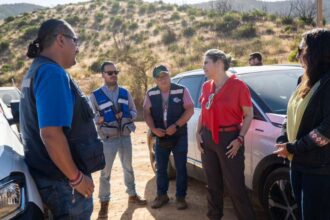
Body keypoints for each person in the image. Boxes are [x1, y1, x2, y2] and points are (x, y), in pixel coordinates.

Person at [20, 19, 105, 219]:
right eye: (75, 41)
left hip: (51, 179)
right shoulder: (52, 73)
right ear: (60, 40)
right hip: (64, 185)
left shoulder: (35, 70)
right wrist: (76, 178)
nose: (77, 48)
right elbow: (50, 134)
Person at [275, 28, 330, 219]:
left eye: (302, 49)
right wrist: (283, 139)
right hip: (297, 164)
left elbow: (326, 130)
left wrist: (294, 147)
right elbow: (289, 114)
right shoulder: (303, 80)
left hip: (320, 170)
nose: (298, 54)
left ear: (315, 52)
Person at [196, 49, 256, 220]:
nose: (203, 66)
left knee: (235, 186)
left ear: (219, 63)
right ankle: (214, 216)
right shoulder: (206, 86)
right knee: (213, 185)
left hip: (229, 141)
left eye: (206, 62)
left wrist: (240, 138)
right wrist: (197, 133)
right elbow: (203, 112)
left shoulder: (238, 86)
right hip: (207, 138)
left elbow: (249, 114)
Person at [89, 61, 147, 219]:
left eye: (115, 72)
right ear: (103, 75)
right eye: (110, 73)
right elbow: (90, 116)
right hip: (107, 139)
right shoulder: (95, 95)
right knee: (105, 173)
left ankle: (132, 195)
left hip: (125, 137)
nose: (113, 75)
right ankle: (104, 203)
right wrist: (99, 119)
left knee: (128, 167)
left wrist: (126, 115)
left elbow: (135, 112)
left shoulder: (124, 92)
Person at [143, 65, 194, 210]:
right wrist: (153, 129)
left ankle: (180, 197)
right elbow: (146, 112)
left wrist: (176, 126)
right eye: (159, 77)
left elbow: (190, 109)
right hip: (161, 136)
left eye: (165, 75)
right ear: (155, 80)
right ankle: (162, 195)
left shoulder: (181, 90)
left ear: (169, 75)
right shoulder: (150, 94)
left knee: (180, 167)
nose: (163, 79)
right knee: (161, 168)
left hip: (179, 135)